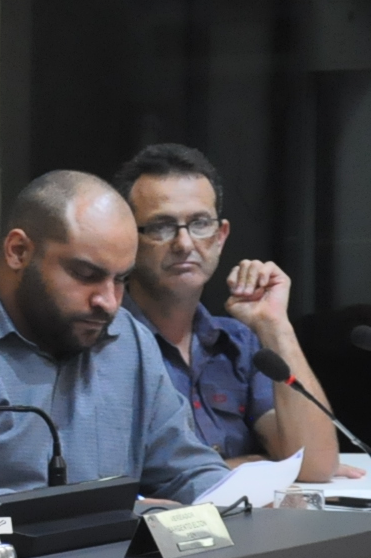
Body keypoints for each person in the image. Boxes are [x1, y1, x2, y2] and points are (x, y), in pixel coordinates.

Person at [0, 170, 227, 521]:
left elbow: (187, 469)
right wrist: (117, 515)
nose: (108, 302)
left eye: (121, 280)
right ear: (18, 251)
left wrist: (242, 500)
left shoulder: (128, 339)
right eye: (86, 275)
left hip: (118, 554)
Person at [117, 142, 354, 482]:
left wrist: (274, 325)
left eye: (200, 223)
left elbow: (315, 465)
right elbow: (114, 480)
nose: (184, 243)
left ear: (220, 236)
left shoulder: (240, 343)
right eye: (161, 226)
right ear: (127, 238)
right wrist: (251, 466)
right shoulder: (106, 342)